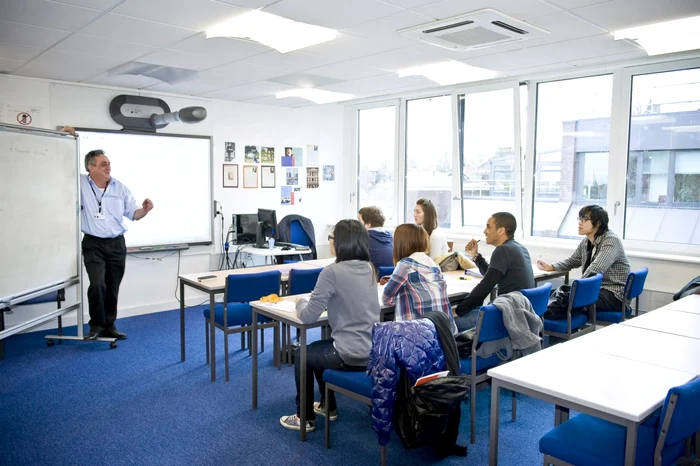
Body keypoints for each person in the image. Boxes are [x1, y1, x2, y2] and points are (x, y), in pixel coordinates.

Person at [280, 219, 380, 432]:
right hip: (373, 351)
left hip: (349, 354)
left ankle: (304, 418)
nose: (330, 241)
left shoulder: (332, 271)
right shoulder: (369, 268)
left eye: (331, 237)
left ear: (341, 242)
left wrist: (300, 301)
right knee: (319, 349)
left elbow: (307, 316)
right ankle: (327, 406)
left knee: (303, 354)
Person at [62, 126, 154, 341]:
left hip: (116, 244)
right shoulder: (81, 183)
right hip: (93, 244)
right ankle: (95, 325)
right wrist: (70, 138)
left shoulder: (120, 187)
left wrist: (145, 210)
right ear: (90, 167)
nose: (108, 167)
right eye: (104, 164)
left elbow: (134, 214)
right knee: (97, 285)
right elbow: (64, 164)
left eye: (109, 164)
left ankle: (109, 325)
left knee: (112, 287)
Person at [537, 205, 630, 314]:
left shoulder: (610, 240)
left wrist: (576, 287)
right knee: (552, 294)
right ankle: (540, 317)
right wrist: (551, 266)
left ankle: (540, 319)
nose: (580, 222)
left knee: (568, 299)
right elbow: (572, 261)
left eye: (585, 219)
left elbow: (596, 269)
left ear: (598, 223)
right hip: (596, 289)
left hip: (613, 294)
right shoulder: (587, 241)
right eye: (580, 219)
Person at [454, 212, 535, 331]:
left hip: (508, 315)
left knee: (446, 323)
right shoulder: (518, 247)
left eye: (488, 227)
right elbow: (491, 274)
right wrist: (476, 256)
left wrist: (458, 310)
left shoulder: (503, 250)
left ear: (500, 230)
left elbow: (485, 287)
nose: (484, 231)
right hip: (520, 311)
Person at [381, 224, 457, 334]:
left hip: (418, 340)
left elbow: (386, 299)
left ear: (401, 244)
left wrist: (399, 290)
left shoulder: (405, 266)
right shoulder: (434, 265)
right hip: (445, 337)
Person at [358, 206, 393, 271]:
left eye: (359, 221)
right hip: (389, 276)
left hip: (372, 277)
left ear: (368, 224)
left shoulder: (363, 238)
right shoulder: (390, 237)